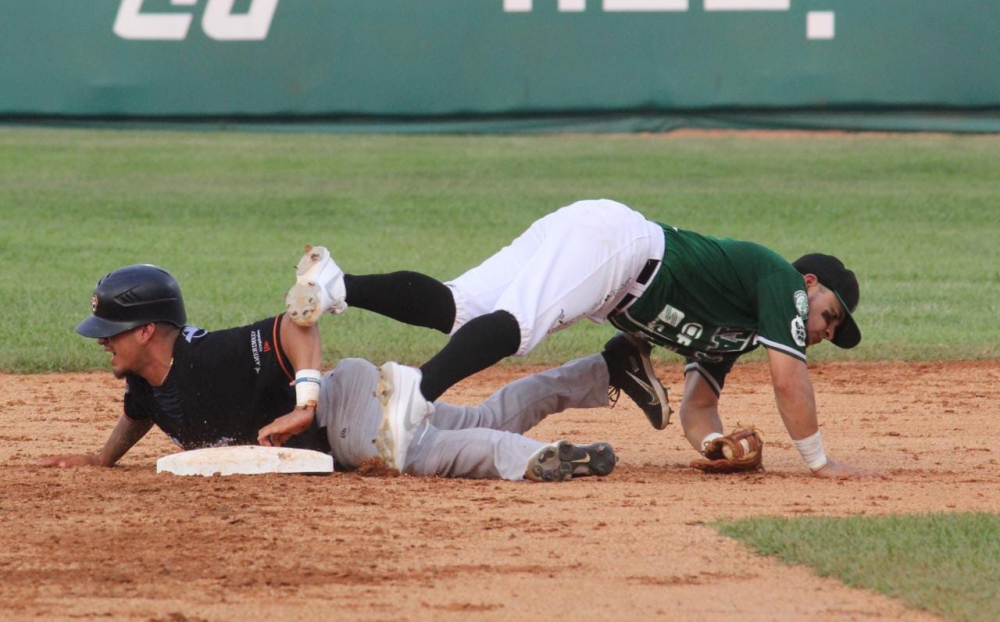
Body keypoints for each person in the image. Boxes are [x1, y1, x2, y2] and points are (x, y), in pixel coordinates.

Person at [284, 198, 875, 478]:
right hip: (618, 250)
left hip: (600, 260)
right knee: (517, 327)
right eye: (831, 315)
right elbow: (787, 376)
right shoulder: (781, 281)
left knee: (461, 310)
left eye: (834, 328)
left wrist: (714, 444)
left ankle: (338, 284)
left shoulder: (736, 333)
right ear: (810, 284)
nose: (826, 330)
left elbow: (698, 406)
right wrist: (818, 462)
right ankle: (414, 394)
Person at [38, 263, 617, 483]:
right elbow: (137, 416)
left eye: (110, 332)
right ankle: (601, 370)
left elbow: (297, 325)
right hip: (354, 404)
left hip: (344, 412)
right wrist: (100, 460)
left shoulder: (208, 357)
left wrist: (306, 403)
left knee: (416, 457)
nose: (101, 344)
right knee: (481, 416)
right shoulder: (145, 379)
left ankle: (534, 459)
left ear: (145, 332)